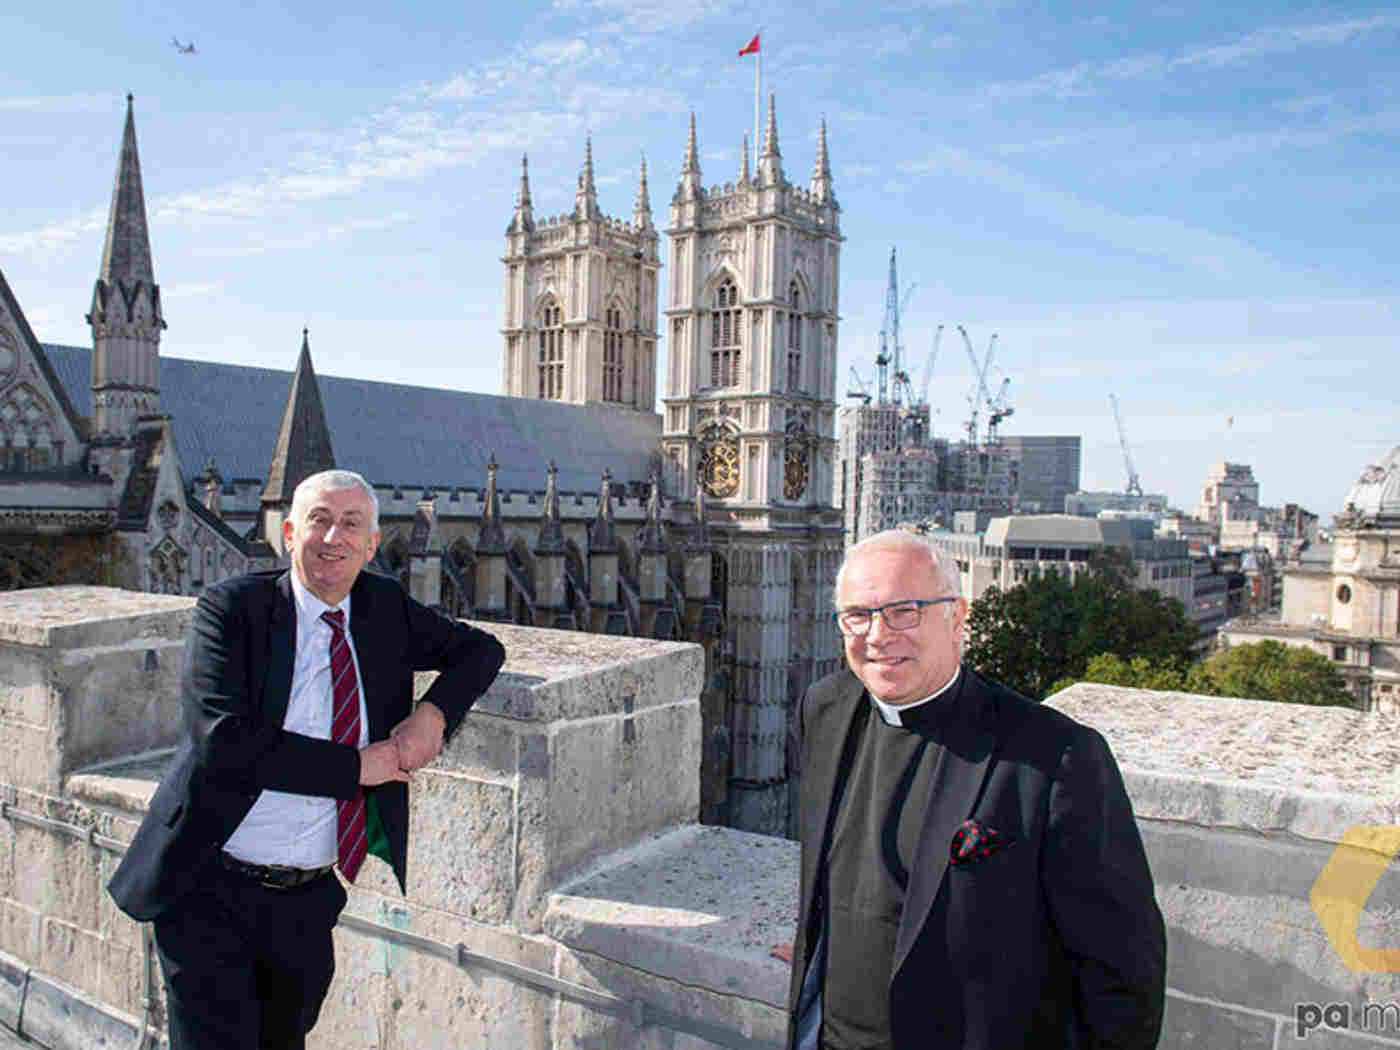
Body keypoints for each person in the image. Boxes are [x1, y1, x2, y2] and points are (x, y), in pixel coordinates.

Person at [108, 469, 505, 1050]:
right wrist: (358, 768)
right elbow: (225, 741)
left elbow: (480, 649)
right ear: (288, 533)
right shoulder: (231, 608)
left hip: (309, 899)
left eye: (351, 525)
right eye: (318, 520)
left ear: (373, 545)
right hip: (208, 886)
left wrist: (434, 713)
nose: (332, 537)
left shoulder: (381, 606)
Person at [785, 529, 1165, 1050]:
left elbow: (1123, 980)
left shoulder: (1055, 757)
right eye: (858, 614)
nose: (878, 635)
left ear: (957, 616)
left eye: (904, 610)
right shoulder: (824, 710)